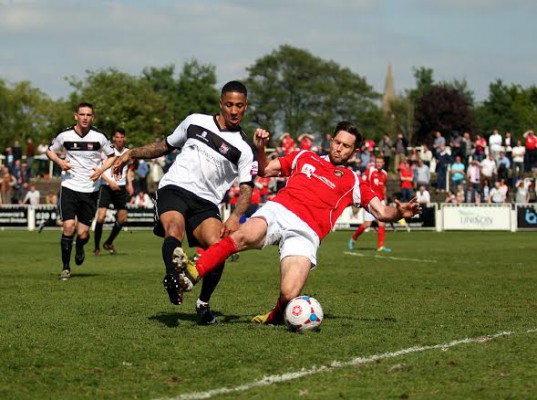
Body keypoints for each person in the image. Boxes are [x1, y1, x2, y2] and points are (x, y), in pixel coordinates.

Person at [174, 121, 421, 325]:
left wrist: (399, 212)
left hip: (308, 232)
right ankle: (192, 274)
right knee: (242, 236)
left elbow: (381, 212)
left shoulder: (354, 182)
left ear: (354, 152)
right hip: (280, 210)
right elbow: (264, 170)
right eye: (337, 142)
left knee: (289, 293)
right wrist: (260, 149)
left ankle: (274, 317)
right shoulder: (305, 157)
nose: (339, 149)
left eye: (346, 146)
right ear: (330, 140)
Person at [112, 81, 257, 325]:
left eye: (239, 106)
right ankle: (173, 278)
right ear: (221, 104)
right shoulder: (194, 121)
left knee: (218, 248)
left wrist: (234, 216)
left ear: (245, 107)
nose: (234, 111)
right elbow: (165, 146)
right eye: (229, 105)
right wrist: (132, 152)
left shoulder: (244, 148)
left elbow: (246, 189)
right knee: (174, 231)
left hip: (206, 202)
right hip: (174, 188)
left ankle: (203, 304)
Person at [46, 102, 116, 281]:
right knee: (68, 226)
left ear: (93, 117)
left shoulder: (99, 137)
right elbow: (50, 152)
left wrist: (100, 171)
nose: (85, 118)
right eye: (82, 114)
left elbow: (111, 156)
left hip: (90, 190)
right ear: (75, 116)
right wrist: (61, 162)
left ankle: (79, 246)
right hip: (69, 187)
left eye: (88, 115)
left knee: (83, 233)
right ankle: (66, 268)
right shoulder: (65, 135)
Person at [93, 128, 134, 256]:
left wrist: (130, 183)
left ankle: (109, 242)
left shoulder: (128, 152)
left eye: (122, 137)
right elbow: (98, 169)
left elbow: (128, 169)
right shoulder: (107, 151)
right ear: (113, 138)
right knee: (101, 216)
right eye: (118, 137)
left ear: (125, 138)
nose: (120, 139)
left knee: (122, 218)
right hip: (106, 186)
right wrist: (110, 182)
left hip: (121, 188)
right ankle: (96, 247)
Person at [348, 156, 392, 252]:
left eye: (380, 162)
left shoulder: (385, 174)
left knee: (382, 223)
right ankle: (353, 238)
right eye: (377, 161)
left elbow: (384, 187)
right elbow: (362, 183)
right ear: (375, 162)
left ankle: (381, 246)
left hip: (380, 201)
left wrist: (385, 199)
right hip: (370, 200)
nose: (379, 163)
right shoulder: (370, 171)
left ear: (383, 163)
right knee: (367, 224)